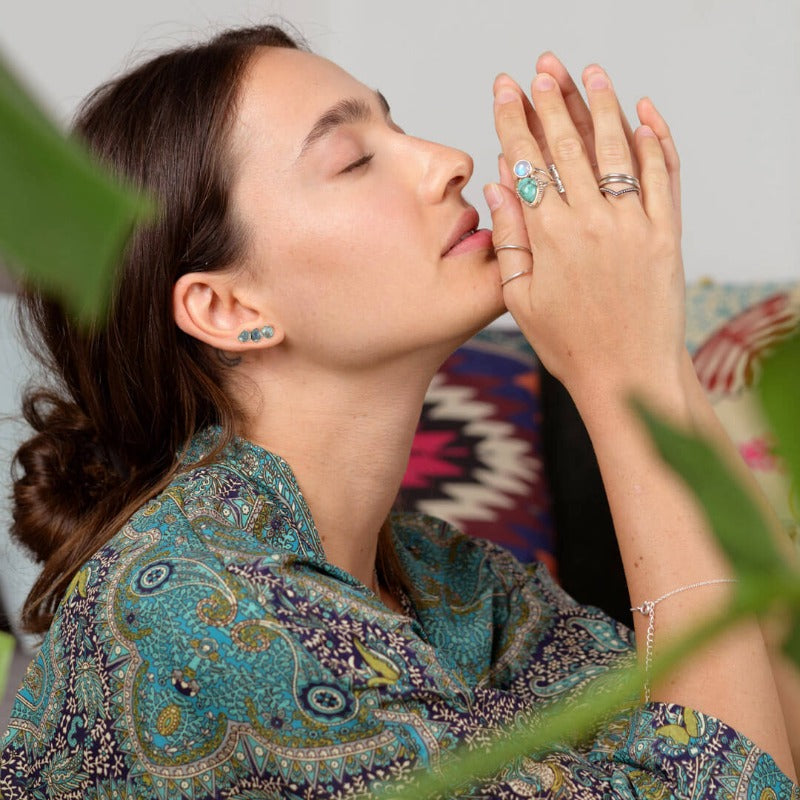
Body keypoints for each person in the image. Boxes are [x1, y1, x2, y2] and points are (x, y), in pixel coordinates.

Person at [0, 23, 797, 799]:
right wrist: (629, 375)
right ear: (227, 306)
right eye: (352, 161)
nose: (449, 163)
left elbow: (777, 718)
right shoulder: (195, 617)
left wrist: (649, 336)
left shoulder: (446, 583)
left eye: (400, 126)